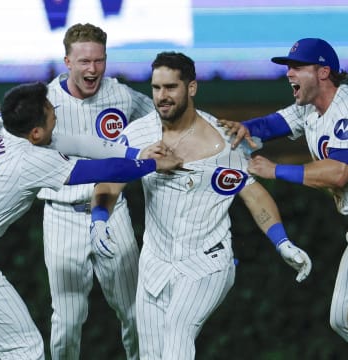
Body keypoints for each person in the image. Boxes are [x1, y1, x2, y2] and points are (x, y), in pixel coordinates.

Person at [90, 51, 313, 360]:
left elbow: (253, 193)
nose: (162, 96)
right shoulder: (138, 134)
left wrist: (282, 241)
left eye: (171, 87)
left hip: (208, 263)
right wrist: (99, 218)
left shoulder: (224, 140)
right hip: (155, 262)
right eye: (156, 88)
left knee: (178, 337)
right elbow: (110, 181)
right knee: (150, 355)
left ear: (191, 88)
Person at [0, 82, 181, 360]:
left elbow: (77, 142)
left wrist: (136, 153)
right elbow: (103, 169)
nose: (54, 109)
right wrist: (151, 164)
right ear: (35, 132)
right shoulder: (30, 159)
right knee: (25, 349)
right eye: (49, 108)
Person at [36, 23, 156, 359]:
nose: (92, 69)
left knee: (135, 312)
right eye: (84, 62)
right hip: (61, 214)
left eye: (99, 61)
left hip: (113, 212)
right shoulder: (44, 102)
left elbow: (161, 118)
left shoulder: (120, 94)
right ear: (67, 62)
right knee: (68, 321)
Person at [220, 38, 348, 342]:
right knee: (342, 318)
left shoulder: (344, 107)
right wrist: (245, 128)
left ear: (323, 72)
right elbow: (270, 124)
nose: (289, 73)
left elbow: (341, 173)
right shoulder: (309, 109)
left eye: (297, 67)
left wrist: (275, 170)